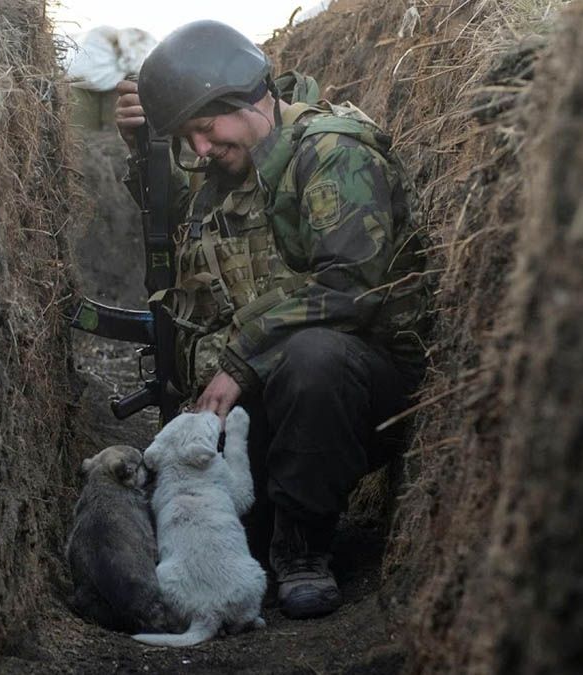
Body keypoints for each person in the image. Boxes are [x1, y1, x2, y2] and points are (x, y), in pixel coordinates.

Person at [113, 20, 430, 619]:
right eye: (189, 139)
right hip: (273, 399)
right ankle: (272, 527)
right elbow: (191, 242)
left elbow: (351, 286)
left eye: (205, 129)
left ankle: (305, 551)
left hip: (358, 391)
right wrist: (145, 151)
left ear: (248, 97)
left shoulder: (332, 154)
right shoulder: (233, 169)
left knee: (316, 358)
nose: (200, 150)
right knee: (219, 538)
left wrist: (239, 359)